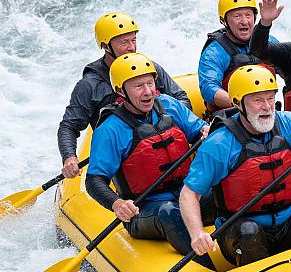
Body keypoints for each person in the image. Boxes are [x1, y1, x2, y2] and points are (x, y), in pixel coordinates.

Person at [179, 65, 291, 267]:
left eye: (270, 98)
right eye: (258, 100)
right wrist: (197, 233)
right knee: (248, 233)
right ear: (238, 103)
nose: (267, 107)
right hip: (240, 231)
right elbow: (189, 194)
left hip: (287, 223)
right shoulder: (219, 143)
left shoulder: (289, 123)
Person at [85, 52, 214, 268]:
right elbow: (94, 180)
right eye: (138, 86)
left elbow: (197, 130)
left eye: (150, 83)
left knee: (228, 188)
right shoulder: (110, 129)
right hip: (146, 210)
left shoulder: (169, 105)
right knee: (169, 212)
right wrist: (117, 204)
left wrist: (206, 131)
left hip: (188, 197)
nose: (147, 92)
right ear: (120, 91)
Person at [58, 12, 191, 179]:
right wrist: (69, 157)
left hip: (160, 145)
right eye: (124, 42)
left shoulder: (147, 69)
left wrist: (162, 127)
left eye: (133, 40)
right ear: (106, 46)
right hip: (124, 160)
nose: (131, 47)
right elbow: (69, 126)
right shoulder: (89, 85)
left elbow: (181, 99)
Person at [198, 0, 278, 113]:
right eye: (237, 16)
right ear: (225, 21)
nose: (244, 21)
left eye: (248, 15)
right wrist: (244, 106)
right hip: (231, 115)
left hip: (266, 111)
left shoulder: (269, 42)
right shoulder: (215, 51)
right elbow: (209, 89)